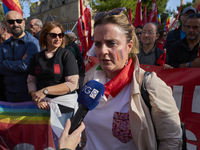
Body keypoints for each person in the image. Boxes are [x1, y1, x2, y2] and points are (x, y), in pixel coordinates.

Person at [81, 7, 182, 150]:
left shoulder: (150, 85)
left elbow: (171, 140)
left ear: (129, 46)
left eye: (111, 43)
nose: (102, 51)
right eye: (98, 44)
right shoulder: (90, 78)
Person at [27, 21, 79, 126]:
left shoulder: (66, 55)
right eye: (53, 35)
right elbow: (31, 80)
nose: (58, 38)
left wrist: (45, 91)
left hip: (64, 108)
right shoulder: (37, 57)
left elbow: (72, 84)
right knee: (46, 141)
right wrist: (37, 98)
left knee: (62, 141)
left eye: (60, 35)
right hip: (43, 107)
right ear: (44, 37)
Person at [0, 11, 40, 102]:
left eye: (18, 21)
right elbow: (0, 68)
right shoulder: (4, 44)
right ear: (6, 24)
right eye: (11, 22)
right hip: (9, 92)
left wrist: (6, 63)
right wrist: (19, 64)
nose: (15, 24)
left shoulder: (32, 43)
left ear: (23, 22)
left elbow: (26, 66)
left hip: (28, 92)